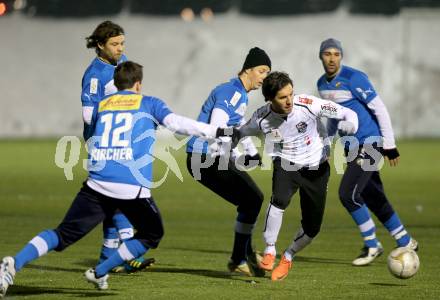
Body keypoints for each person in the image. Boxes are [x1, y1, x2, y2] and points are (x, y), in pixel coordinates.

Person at [0, 61, 220, 296]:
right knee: (152, 233)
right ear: (138, 84)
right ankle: (100, 270)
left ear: (116, 83)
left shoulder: (103, 105)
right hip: (130, 185)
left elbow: (94, 133)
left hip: (98, 182)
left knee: (62, 234)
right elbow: (177, 124)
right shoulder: (148, 102)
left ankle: (13, 263)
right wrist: (216, 131)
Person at [220, 71, 358, 281]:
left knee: (312, 228)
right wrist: (228, 149)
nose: (289, 101)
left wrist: (351, 124)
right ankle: (270, 250)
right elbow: (240, 132)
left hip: (317, 169)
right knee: (279, 200)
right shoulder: (261, 118)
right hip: (286, 164)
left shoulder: (307, 104)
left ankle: (288, 255)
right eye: (282, 97)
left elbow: (348, 114)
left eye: (290, 94)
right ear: (269, 99)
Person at [317, 38, 418, 266]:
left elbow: (379, 108)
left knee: (348, 194)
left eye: (336, 54)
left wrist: (389, 145)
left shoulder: (354, 78)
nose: (332, 58)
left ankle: (372, 245)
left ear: (341, 56)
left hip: (370, 143)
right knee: (372, 195)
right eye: (327, 54)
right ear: (320, 56)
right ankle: (405, 239)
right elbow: (333, 118)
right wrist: (327, 145)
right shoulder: (322, 85)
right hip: (352, 148)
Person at [185, 47, 271, 276]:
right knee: (253, 198)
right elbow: (218, 127)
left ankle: (243, 254)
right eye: (262, 71)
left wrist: (250, 151)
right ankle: (240, 255)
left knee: (249, 201)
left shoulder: (238, 93)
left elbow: (238, 123)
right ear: (248, 69)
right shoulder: (232, 92)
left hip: (205, 157)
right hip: (204, 158)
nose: (264, 77)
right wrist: (236, 157)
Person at [81, 21, 152, 272]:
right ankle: (128, 250)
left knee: (114, 200)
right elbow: (89, 115)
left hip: (121, 143)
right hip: (102, 145)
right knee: (119, 197)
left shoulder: (121, 65)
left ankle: (107, 256)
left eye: (122, 43)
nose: (120, 48)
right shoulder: (94, 75)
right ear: (100, 45)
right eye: (114, 44)